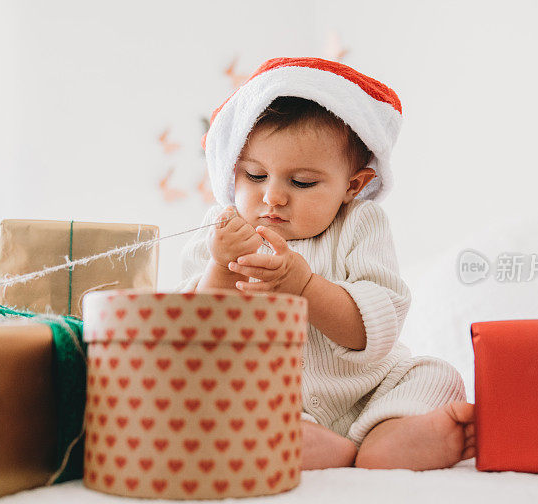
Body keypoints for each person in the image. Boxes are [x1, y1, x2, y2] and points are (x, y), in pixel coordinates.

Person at [175, 57, 475, 471]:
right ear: (232, 173)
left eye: (302, 182)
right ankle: (314, 441)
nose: (273, 197)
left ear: (352, 186)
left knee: (435, 373)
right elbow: (194, 336)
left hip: (370, 388)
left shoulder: (360, 225)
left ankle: (392, 432)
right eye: (255, 176)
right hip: (272, 397)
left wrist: (304, 287)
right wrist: (222, 268)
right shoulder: (221, 234)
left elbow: (374, 328)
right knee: (210, 398)